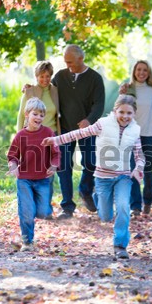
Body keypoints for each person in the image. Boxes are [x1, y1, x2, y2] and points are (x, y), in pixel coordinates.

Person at [42, 95, 145, 260]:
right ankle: (97, 197)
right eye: (122, 112)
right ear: (114, 111)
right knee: (105, 216)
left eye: (129, 113)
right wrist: (55, 140)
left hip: (123, 177)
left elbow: (139, 155)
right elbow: (78, 134)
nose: (125, 116)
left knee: (124, 207)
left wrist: (138, 168)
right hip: (103, 178)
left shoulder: (135, 130)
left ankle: (120, 245)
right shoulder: (102, 124)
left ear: (134, 114)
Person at [51, 44, 105, 219]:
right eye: (65, 62)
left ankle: (85, 190)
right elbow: (46, 90)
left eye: (70, 62)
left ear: (81, 59)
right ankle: (67, 207)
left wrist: (89, 120)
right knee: (64, 165)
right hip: (65, 128)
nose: (68, 65)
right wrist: (30, 88)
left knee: (90, 162)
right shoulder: (60, 77)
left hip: (87, 129)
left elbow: (99, 104)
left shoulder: (95, 79)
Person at [7, 98, 61, 251]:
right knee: (26, 211)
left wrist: (54, 165)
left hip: (43, 179)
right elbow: (12, 155)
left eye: (41, 115)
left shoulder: (48, 133)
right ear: (26, 114)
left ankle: (33, 216)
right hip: (24, 179)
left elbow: (56, 153)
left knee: (43, 212)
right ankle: (27, 241)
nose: (38, 118)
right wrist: (13, 166)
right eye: (35, 114)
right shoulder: (20, 136)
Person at [17, 60, 61, 210]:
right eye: (41, 76)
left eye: (48, 76)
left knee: (49, 172)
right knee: (32, 171)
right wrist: (20, 138)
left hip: (51, 135)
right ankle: (32, 204)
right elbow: (21, 116)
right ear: (36, 76)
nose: (45, 79)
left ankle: (45, 207)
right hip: (32, 135)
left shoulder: (55, 91)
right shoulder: (29, 92)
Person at [120, 60, 152, 216]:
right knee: (133, 169)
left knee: (147, 170)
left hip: (148, 134)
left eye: (145, 70)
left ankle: (147, 202)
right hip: (132, 135)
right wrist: (121, 94)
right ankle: (135, 206)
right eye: (139, 69)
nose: (141, 72)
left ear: (148, 73)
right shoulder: (128, 89)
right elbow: (119, 111)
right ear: (134, 71)